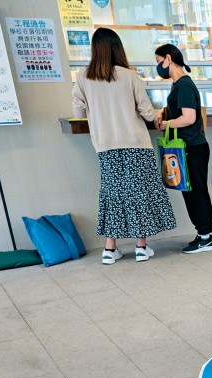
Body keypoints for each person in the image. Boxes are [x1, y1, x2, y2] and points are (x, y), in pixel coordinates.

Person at [71, 28, 175, 265]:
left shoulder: (83, 77)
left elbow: (77, 112)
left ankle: (109, 250)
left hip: (105, 147)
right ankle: (141, 247)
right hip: (136, 144)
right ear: (118, 48)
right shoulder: (130, 76)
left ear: (95, 49)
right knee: (139, 195)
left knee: (112, 195)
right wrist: (160, 114)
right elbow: (148, 114)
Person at [154, 44, 212, 254]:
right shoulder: (179, 85)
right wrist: (163, 114)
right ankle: (207, 234)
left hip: (192, 147)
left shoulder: (183, 85)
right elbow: (181, 111)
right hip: (190, 146)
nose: (158, 67)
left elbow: (189, 117)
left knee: (195, 192)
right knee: (193, 191)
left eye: (158, 62)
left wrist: (166, 125)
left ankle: (206, 236)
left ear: (168, 59)